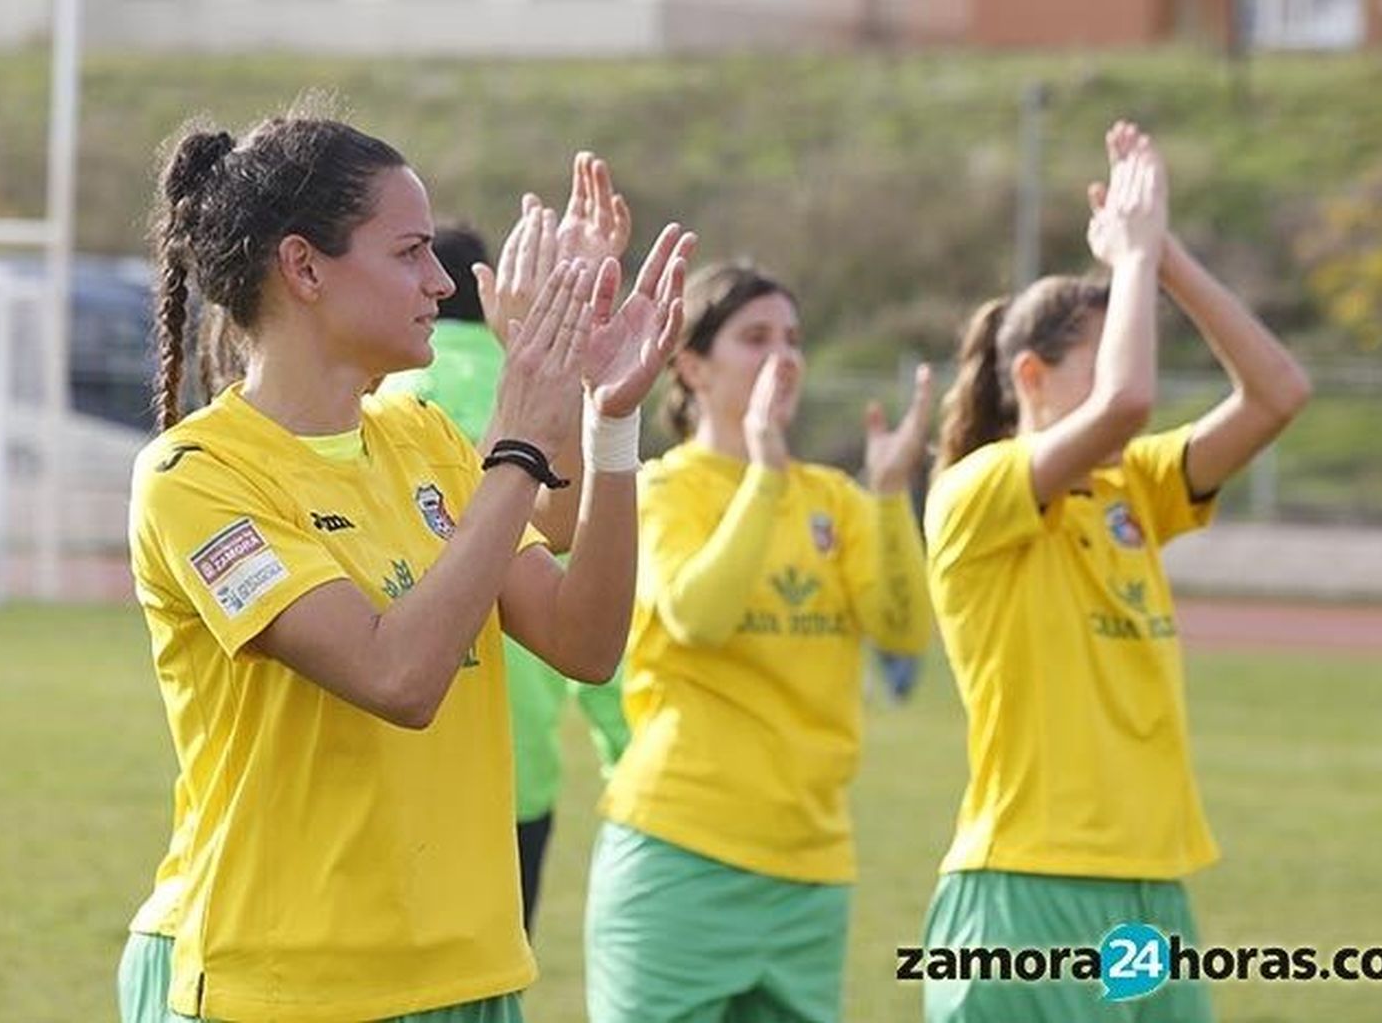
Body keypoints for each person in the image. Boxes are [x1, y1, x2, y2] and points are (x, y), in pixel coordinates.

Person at [118, 107, 692, 1023]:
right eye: (409, 251)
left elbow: (586, 643)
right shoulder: (197, 476)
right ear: (303, 267)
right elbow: (397, 675)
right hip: (293, 988)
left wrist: (606, 420)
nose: (440, 281)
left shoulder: (424, 438)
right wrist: (515, 445)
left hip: (469, 975)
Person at [920, 122, 1311, 1022]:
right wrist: (1131, 257)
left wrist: (1164, 256)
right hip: (1028, 894)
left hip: (1150, 894)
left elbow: (1278, 392)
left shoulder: (1133, 484)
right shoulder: (974, 492)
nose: (1135, 368)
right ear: (1032, 375)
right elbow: (1126, 400)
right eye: (1103, 347)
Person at [584, 261, 936, 1023]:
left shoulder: (835, 500)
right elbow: (697, 616)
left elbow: (903, 630)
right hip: (682, 853)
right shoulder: (663, 490)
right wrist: (765, 474)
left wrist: (888, 494)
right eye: (755, 338)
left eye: (793, 339)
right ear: (691, 366)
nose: (784, 357)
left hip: (811, 868)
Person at [379, 153, 642, 937]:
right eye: (405, 254)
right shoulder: (506, 378)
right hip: (517, 760)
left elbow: (544, 541)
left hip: (403, 770)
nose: (426, 280)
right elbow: (559, 532)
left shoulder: (399, 398)